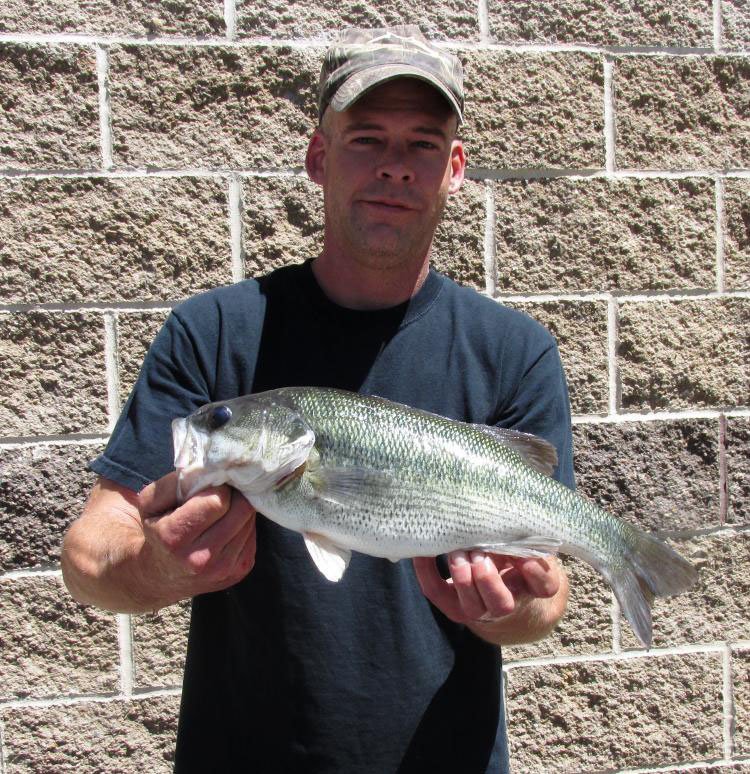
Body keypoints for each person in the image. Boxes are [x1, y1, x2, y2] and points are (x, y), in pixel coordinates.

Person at [61, 26, 572, 773]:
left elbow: (545, 602)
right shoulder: (211, 332)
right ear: (317, 157)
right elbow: (88, 555)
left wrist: (510, 607)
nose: (395, 168)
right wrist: (159, 566)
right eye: (366, 138)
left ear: (455, 169)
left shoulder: (515, 351)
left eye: (423, 144)